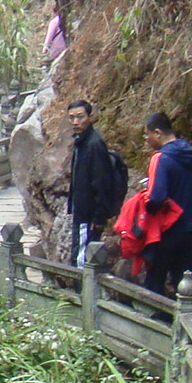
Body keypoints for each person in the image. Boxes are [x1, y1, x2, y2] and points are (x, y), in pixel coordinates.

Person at [140, 113, 192, 297]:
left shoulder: (161, 158)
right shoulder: (191, 154)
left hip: (165, 231)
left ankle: (151, 322)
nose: (147, 140)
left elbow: (156, 197)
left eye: (147, 134)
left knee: (154, 282)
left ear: (158, 133)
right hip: (189, 229)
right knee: (185, 283)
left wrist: (145, 197)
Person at [64, 101, 126, 268]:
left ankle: (82, 292)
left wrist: (99, 216)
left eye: (80, 117)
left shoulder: (94, 144)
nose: (75, 122)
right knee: (81, 253)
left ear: (90, 117)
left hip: (88, 214)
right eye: (72, 118)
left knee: (82, 258)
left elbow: (101, 182)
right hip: (81, 211)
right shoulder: (81, 142)